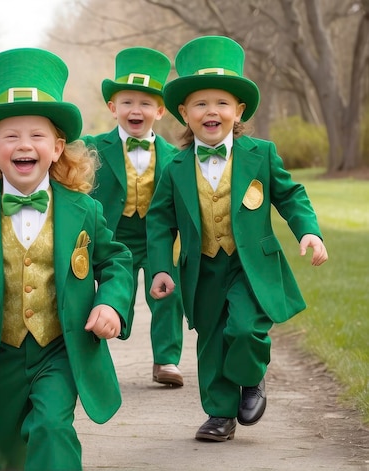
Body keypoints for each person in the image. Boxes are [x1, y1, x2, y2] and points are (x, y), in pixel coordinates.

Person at [0, 48, 134, 470]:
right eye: (11, 136)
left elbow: (116, 261)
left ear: (57, 148)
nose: (25, 145)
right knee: (5, 444)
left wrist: (111, 302)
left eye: (37, 135)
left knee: (52, 427)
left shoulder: (84, 210)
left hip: (59, 346)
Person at [147, 35, 328, 442]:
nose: (212, 111)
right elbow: (159, 221)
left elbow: (290, 195)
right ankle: (219, 415)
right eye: (200, 103)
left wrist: (309, 232)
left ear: (238, 110)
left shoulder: (260, 154)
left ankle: (251, 377)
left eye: (222, 103)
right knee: (211, 337)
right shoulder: (175, 167)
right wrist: (160, 266)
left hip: (251, 265)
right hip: (203, 266)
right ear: (184, 113)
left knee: (244, 329)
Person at [82, 47, 185, 387]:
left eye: (145, 103)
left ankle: (167, 360)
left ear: (160, 110)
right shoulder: (93, 147)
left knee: (168, 292)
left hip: (158, 238)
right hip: (114, 235)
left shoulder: (175, 156)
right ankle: (98, 358)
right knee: (114, 293)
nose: (135, 110)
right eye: (127, 102)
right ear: (113, 108)